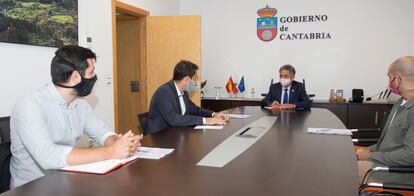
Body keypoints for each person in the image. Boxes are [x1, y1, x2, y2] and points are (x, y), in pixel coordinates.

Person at [9, 45, 141, 188]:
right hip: (31, 189)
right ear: (76, 77)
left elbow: (102, 133)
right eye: (91, 72)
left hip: (66, 183)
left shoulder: (80, 105)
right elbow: (48, 156)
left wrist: (120, 143)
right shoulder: (29, 104)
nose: (95, 76)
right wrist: (110, 152)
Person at [356, 56, 414, 183]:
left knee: (341, 173)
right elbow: (390, 143)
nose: (389, 82)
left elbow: (411, 155)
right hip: (382, 164)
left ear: (398, 79)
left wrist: (370, 156)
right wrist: (370, 150)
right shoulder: (400, 102)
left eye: (389, 77)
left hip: (397, 174)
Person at [146, 60, 228, 134]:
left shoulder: (183, 92)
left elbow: (194, 109)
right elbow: (173, 119)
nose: (195, 83)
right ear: (187, 79)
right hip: (158, 138)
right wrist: (205, 120)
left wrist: (213, 114)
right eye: (194, 79)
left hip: (175, 134)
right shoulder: (163, 92)